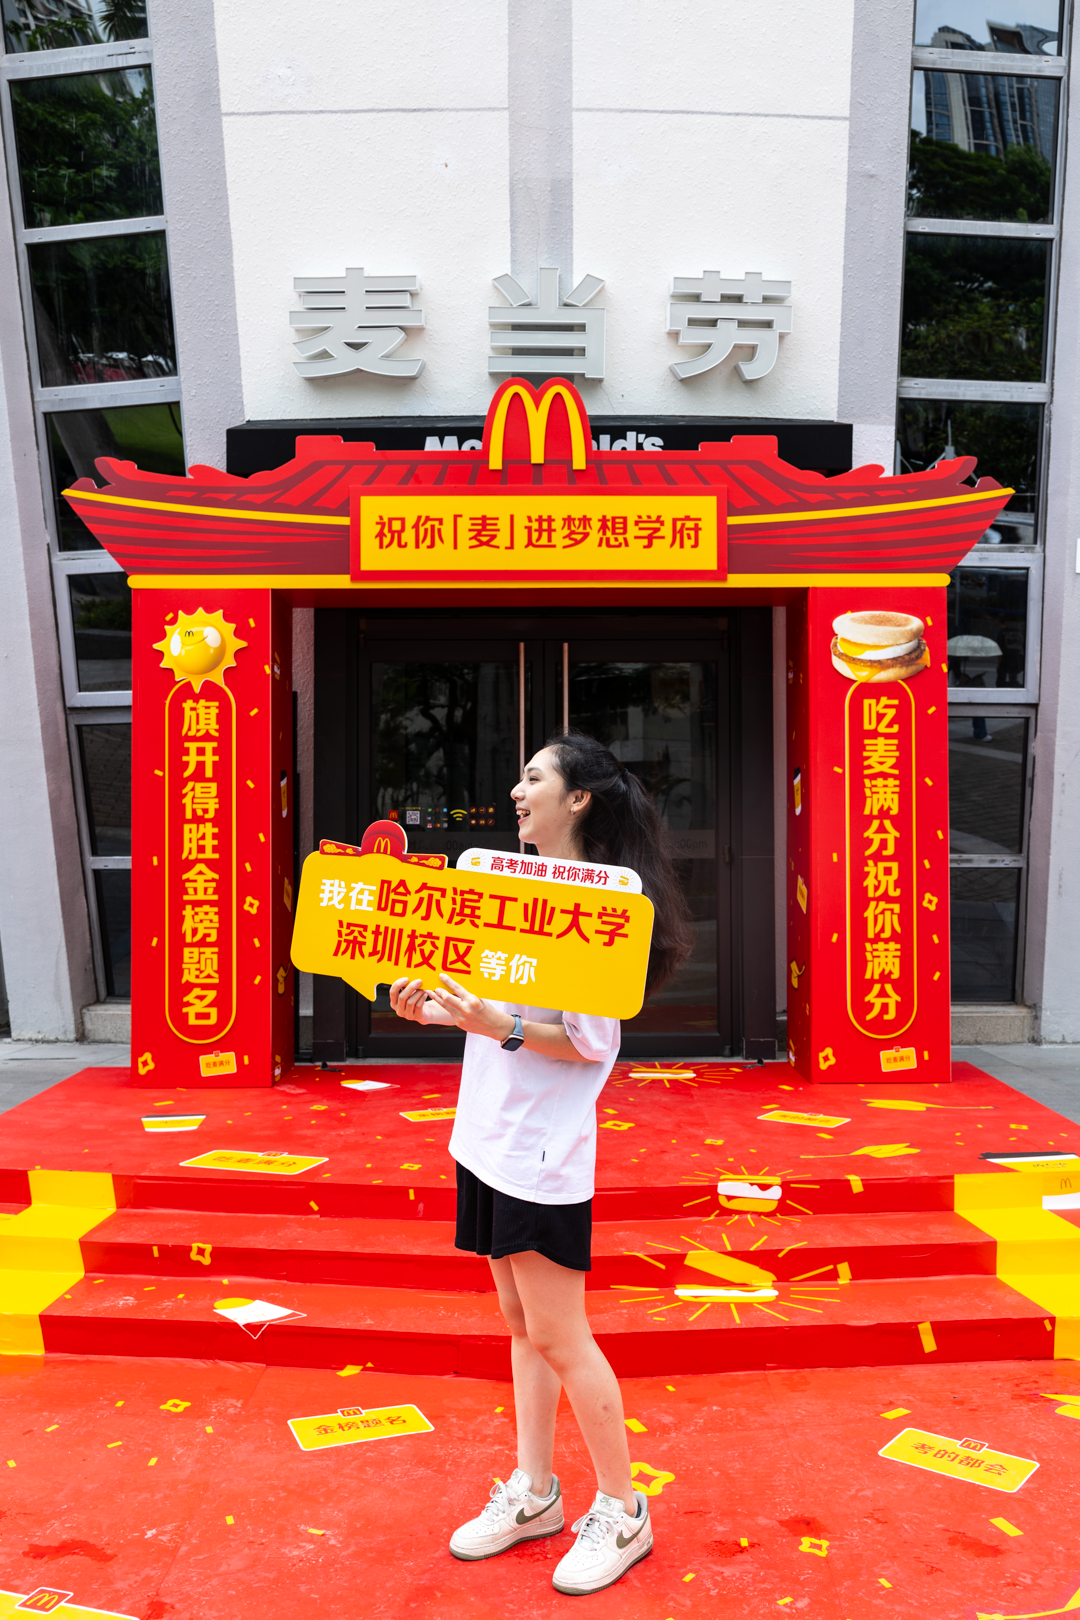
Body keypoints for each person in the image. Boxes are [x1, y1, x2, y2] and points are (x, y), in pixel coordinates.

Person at [389, 730, 693, 1596]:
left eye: (534, 779)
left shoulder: (601, 909)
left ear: (579, 799)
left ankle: (623, 1511)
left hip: (541, 1154)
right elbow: (488, 1005)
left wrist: (503, 1026)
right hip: (484, 1138)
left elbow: (591, 1042)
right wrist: (434, 1008)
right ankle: (534, 1492)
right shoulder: (510, 888)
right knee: (521, 1324)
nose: (518, 793)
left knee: (561, 1334)